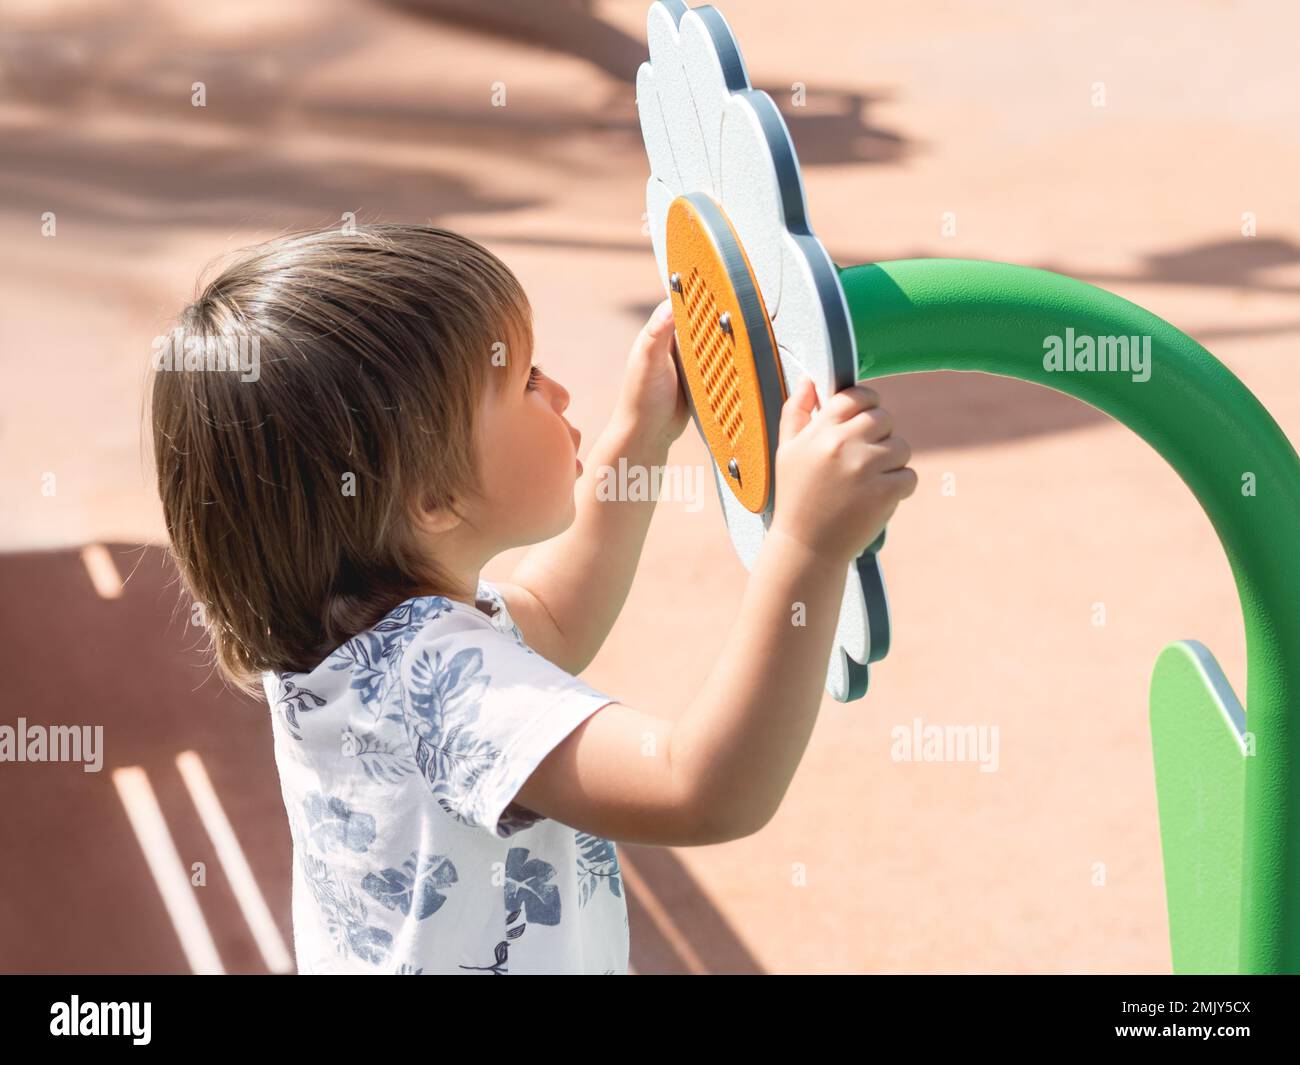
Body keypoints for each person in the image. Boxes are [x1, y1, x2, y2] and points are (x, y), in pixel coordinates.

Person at [148, 222, 916, 974]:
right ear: (434, 498)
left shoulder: (354, 639)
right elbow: (704, 788)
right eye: (523, 382)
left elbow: (548, 618)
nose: (559, 390)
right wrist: (808, 547)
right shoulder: (441, 685)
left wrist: (638, 437)